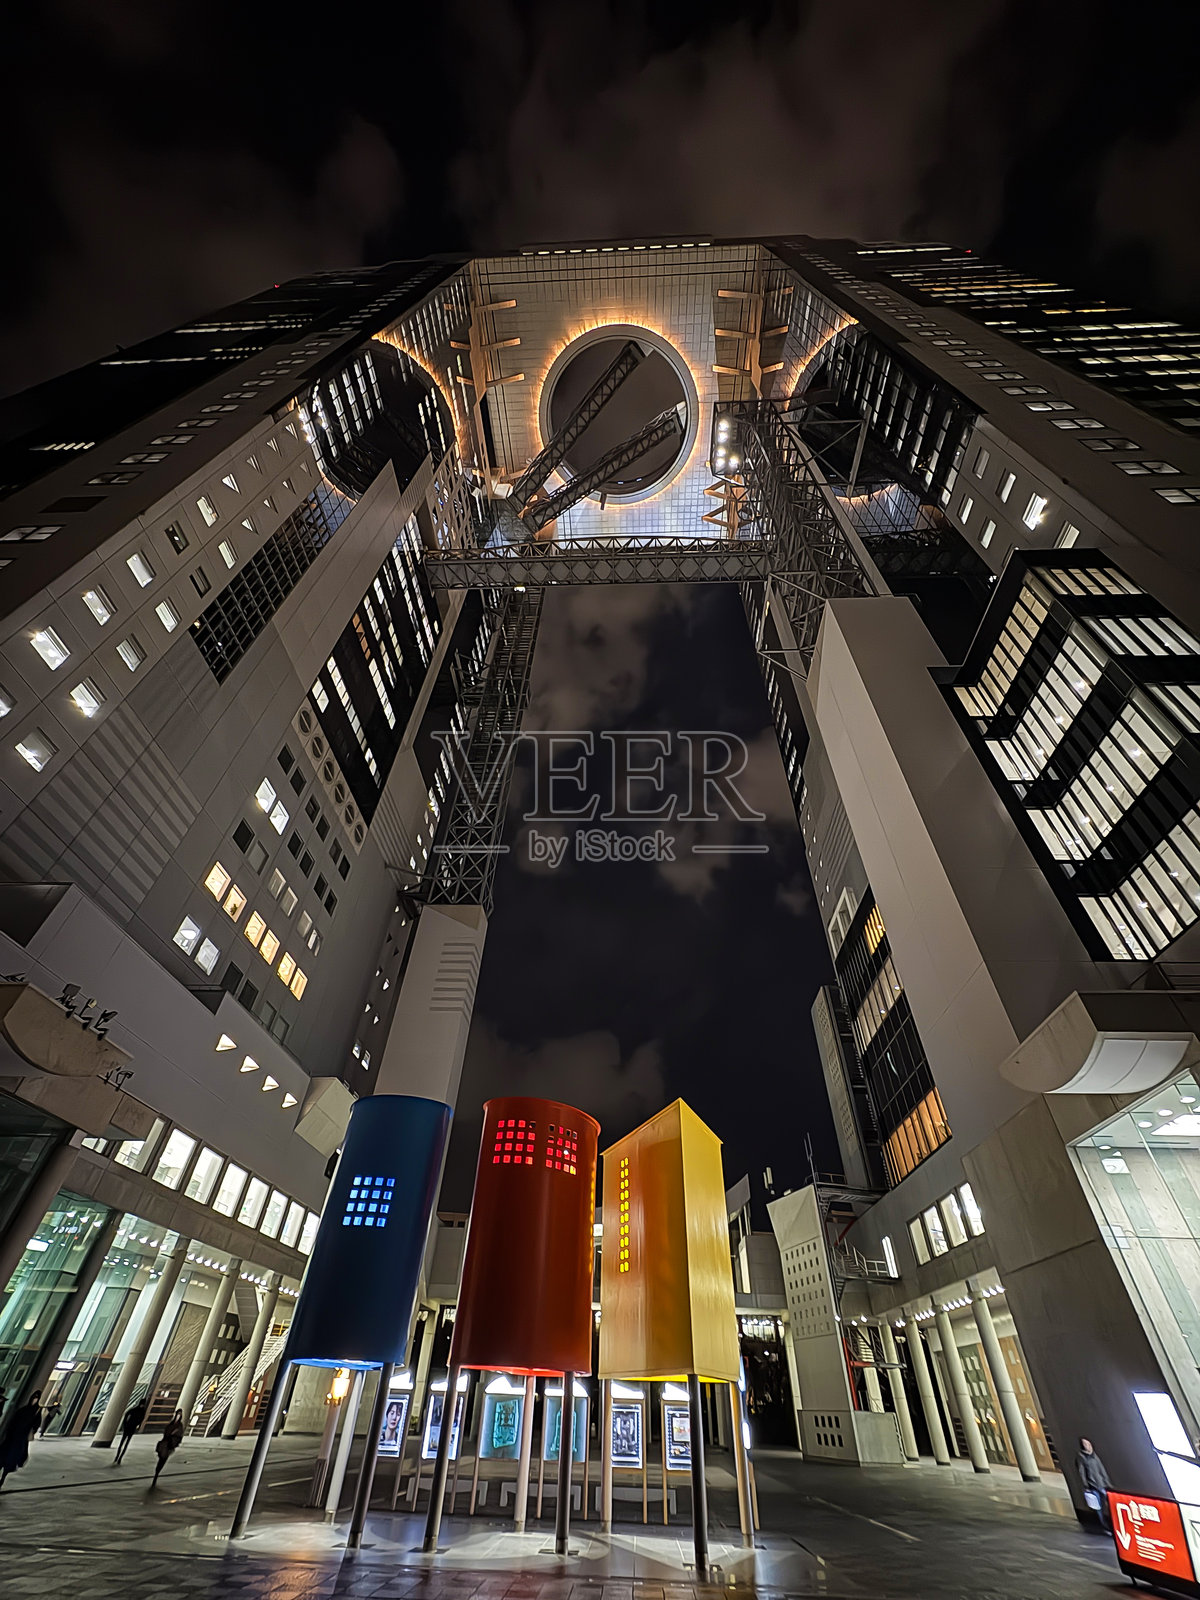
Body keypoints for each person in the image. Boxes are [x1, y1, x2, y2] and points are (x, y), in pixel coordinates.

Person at [0, 1391, 43, 1489]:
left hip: (20, 1438)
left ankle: (3, 1478)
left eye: (36, 1398)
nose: (34, 1400)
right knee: (4, 1456)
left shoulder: (36, 1411)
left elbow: (36, 1424)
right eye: (34, 1397)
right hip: (13, 1437)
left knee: (10, 1458)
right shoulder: (24, 1410)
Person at [1076, 1437, 1113, 1530]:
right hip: (1092, 1485)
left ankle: (1109, 1522)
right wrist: (1086, 1485)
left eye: (1088, 1444)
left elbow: (1101, 1469)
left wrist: (1106, 1481)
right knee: (1098, 1506)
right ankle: (1103, 1524)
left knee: (1107, 1502)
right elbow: (1082, 1473)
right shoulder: (1081, 1457)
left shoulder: (1094, 1456)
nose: (1087, 1446)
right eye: (1085, 1444)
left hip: (1101, 1484)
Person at [152, 1410, 184, 1485]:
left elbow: (179, 1436)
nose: (178, 1416)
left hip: (169, 1445)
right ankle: (156, 1473)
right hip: (165, 1443)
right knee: (161, 1459)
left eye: (179, 1415)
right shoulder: (172, 1424)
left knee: (163, 1459)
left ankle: (156, 1474)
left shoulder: (179, 1426)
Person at [114, 1398, 147, 1464]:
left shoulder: (135, 1410)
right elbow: (141, 1419)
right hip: (131, 1427)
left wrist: (125, 1423)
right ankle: (119, 1457)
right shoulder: (141, 1411)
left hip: (129, 1427)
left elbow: (127, 1415)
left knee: (123, 1443)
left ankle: (118, 1457)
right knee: (125, 1443)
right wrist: (136, 1424)